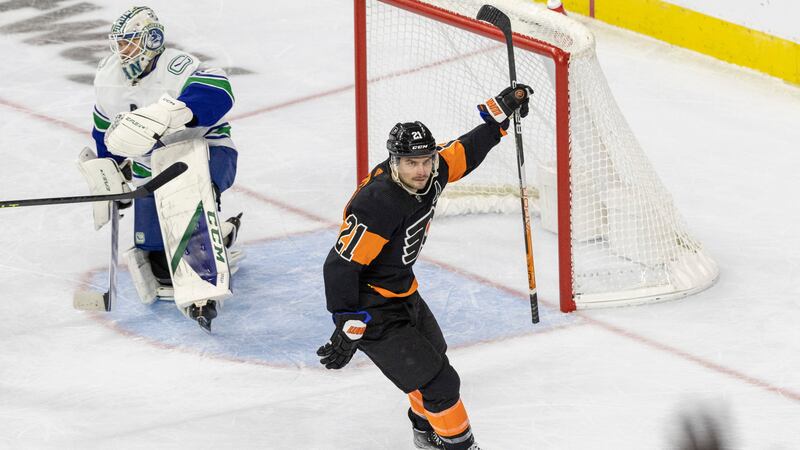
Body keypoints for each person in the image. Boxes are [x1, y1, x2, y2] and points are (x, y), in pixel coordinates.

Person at [317, 84, 533, 449]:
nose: (420, 170)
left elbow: (465, 152)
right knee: (442, 384)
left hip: (404, 292)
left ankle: (426, 433)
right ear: (394, 162)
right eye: (411, 163)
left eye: (426, 160)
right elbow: (340, 267)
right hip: (372, 307)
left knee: (433, 364)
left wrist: (499, 117)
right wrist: (347, 320)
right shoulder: (378, 202)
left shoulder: (432, 172)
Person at [86, 6, 241, 332]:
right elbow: (103, 129)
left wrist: (175, 113)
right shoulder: (108, 75)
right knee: (157, 259)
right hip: (151, 167)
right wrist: (112, 172)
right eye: (119, 43)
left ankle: (206, 269)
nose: (122, 51)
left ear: (152, 39)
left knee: (190, 202)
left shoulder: (176, 66)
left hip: (205, 151)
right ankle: (219, 235)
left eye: (129, 42)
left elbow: (220, 92)